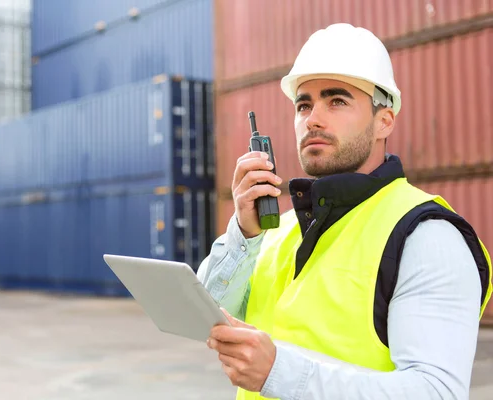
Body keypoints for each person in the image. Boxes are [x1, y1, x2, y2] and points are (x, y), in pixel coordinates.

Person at [197, 23, 492, 400]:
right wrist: (243, 233)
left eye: (336, 101)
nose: (313, 119)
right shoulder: (277, 229)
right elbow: (207, 315)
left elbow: (435, 393)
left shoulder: (426, 236)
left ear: (384, 120)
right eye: (303, 104)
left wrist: (279, 373)